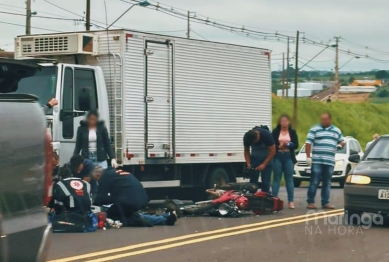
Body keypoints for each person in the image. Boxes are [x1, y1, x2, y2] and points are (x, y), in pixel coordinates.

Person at [91, 166, 177, 226]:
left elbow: (100, 198)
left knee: (112, 216)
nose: (97, 181)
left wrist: (90, 205)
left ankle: (161, 220)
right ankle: (166, 217)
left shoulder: (105, 177)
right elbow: (115, 196)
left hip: (129, 201)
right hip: (142, 198)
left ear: (98, 175)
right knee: (130, 214)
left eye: (95, 179)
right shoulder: (115, 173)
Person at [305, 112, 345, 209]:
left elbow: (342, 141)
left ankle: (325, 202)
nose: (323, 121)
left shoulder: (336, 130)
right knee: (314, 181)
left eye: (325, 119)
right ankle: (310, 202)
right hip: (317, 160)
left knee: (327, 182)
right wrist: (308, 156)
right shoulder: (314, 129)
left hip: (329, 161)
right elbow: (308, 142)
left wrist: (340, 145)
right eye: (322, 119)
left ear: (330, 120)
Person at [271, 114, 299, 209]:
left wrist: (289, 144)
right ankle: (274, 200)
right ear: (279, 122)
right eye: (282, 121)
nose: (284, 123)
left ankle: (290, 201)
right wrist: (279, 146)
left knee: (289, 179)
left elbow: (296, 144)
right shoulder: (275, 131)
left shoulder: (292, 132)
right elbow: (271, 143)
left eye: (286, 121)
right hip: (278, 155)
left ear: (289, 122)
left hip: (288, 156)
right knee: (276, 179)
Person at [243, 126, 276, 193]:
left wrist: (264, 165)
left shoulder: (266, 135)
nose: (255, 144)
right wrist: (248, 164)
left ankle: (265, 197)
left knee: (265, 181)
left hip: (267, 159)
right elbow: (246, 151)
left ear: (258, 136)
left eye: (255, 142)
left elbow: (273, 151)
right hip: (255, 159)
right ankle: (251, 197)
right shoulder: (247, 137)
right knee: (253, 182)